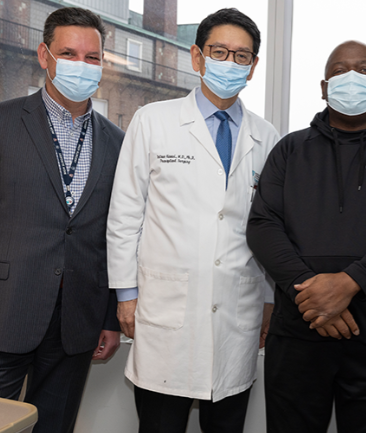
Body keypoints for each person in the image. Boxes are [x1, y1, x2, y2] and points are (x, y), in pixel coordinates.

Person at [0, 7, 123, 433]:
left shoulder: (117, 141)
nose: (81, 65)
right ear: (44, 55)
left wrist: (109, 318)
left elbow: (115, 237)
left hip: (76, 324)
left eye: (92, 57)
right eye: (69, 53)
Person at [247, 41, 366, 433]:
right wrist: (314, 298)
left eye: (364, 70)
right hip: (299, 333)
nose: (351, 77)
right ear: (323, 88)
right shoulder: (290, 150)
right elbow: (263, 225)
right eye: (339, 71)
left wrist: (348, 284)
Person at [106, 8, 279, 433]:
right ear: (197, 57)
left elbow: (270, 229)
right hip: (166, 312)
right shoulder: (153, 120)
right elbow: (125, 214)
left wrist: (268, 299)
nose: (230, 63)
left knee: (226, 423)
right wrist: (125, 294)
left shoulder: (267, 137)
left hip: (236, 311)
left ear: (253, 66)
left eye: (241, 56)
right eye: (219, 52)